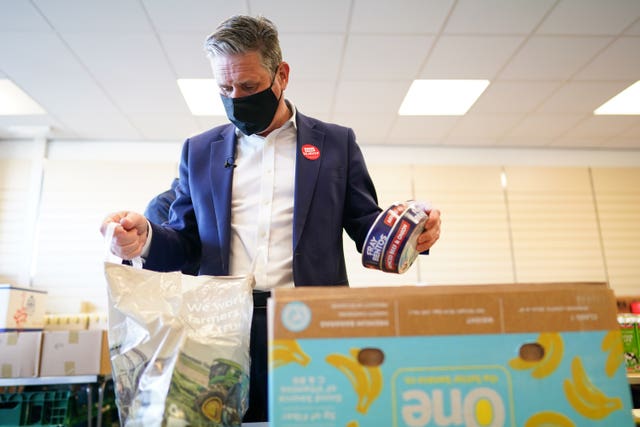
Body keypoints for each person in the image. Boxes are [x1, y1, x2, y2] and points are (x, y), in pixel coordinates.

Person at [101, 15, 441, 422]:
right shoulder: (199, 151)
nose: (236, 98)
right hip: (220, 329)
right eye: (224, 89)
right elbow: (186, 240)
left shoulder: (335, 144)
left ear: (281, 75)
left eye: (249, 86)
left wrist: (411, 233)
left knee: (315, 419)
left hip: (312, 324)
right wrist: (147, 240)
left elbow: (366, 226)